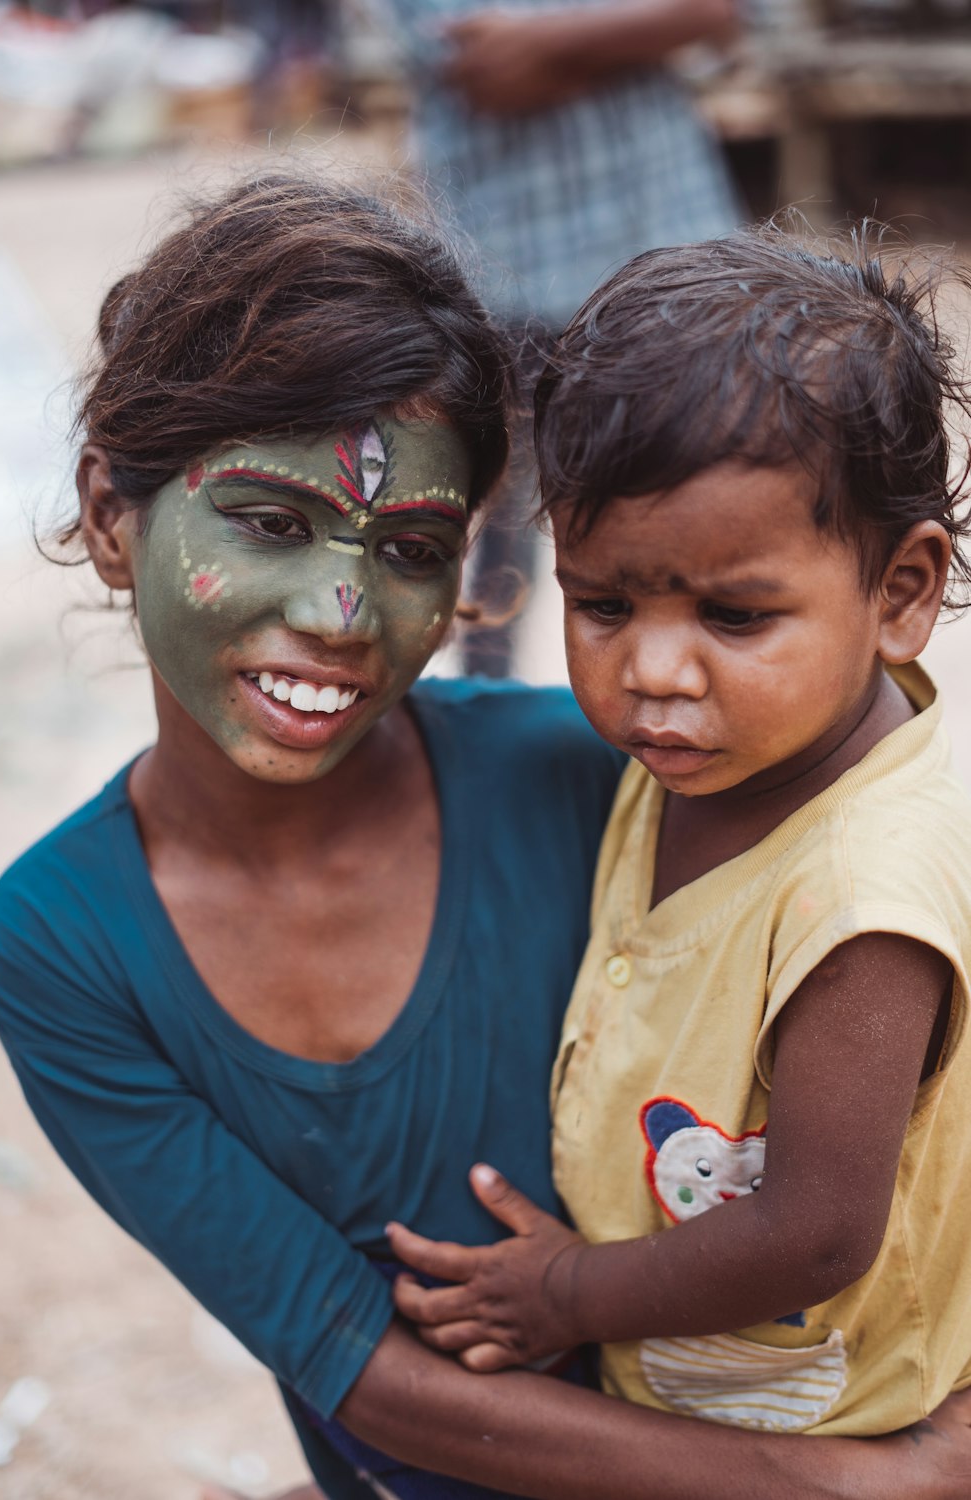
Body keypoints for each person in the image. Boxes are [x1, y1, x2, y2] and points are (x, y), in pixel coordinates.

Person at [0, 177, 970, 1500]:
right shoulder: (62, 944)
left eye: (409, 544)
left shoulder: (610, 771)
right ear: (111, 514)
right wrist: (861, 1488)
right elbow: (367, 1372)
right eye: (270, 524)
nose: (337, 608)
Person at [387, 228, 971, 1437]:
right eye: (601, 604)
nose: (652, 671)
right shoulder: (722, 758)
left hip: (815, 1425)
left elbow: (813, 1229)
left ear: (902, 593)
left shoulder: (863, 892)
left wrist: (564, 1293)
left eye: (733, 614)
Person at [382, 0, 744, 674]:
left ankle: (691, 711)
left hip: (671, 256)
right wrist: (632, 40)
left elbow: (718, 12)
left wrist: (553, 45)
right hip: (508, 266)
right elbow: (486, 70)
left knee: (698, 507)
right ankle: (488, 703)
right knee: (491, 526)